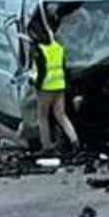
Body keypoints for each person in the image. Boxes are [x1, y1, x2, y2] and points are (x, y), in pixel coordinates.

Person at [28, 15, 80, 155]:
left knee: (43, 116)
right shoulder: (58, 47)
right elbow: (63, 68)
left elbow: (42, 70)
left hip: (46, 88)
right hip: (60, 86)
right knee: (61, 115)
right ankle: (75, 140)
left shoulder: (38, 49)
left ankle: (46, 145)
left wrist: (36, 84)